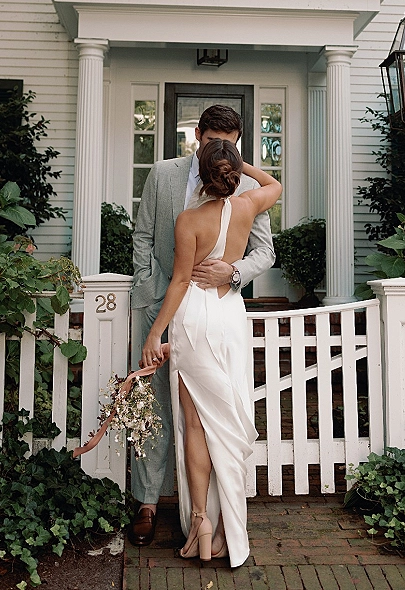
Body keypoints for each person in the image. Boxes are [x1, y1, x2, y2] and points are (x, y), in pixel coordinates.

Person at [129, 105, 275, 548]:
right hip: (162, 301)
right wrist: (146, 290)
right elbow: (142, 235)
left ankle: (200, 513)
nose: (222, 148)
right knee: (153, 402)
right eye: (215, 140)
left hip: (211, 304)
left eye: (230, 142)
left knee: (203, 414)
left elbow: (265, 252)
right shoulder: (163, 173)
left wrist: (231, 273)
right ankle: (147, 502)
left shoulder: (245, 187)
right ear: (198, 135)